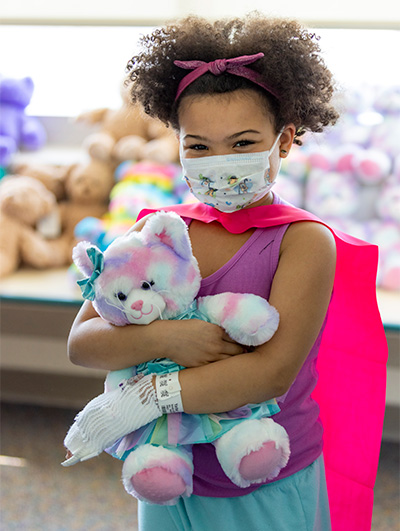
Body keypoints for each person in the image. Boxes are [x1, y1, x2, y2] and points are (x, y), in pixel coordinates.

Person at [66, 14, 387, 531]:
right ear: (178, 143)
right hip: (169, 471)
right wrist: (174, 338)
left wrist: (144, 398)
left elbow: (269, 373)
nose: (219, 161)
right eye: (198, 146)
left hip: (263, 473)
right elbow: (83, 341)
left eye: (241, 144)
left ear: (284, 141)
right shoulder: (156, 231)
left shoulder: (304, 241)